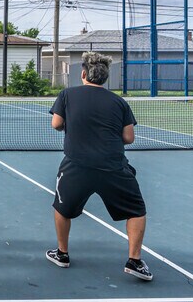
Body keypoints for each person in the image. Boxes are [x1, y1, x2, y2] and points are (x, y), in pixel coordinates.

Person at [46, 52, 152, 281]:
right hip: (113, 167)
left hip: (77, 165)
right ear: (105, 78)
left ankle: (62, 254)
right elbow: (129, 137)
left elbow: (56, 124)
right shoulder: (119, 102)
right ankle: (135, 260)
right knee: (136, 211)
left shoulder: (67, 95)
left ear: (83, 74)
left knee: (62, 208)